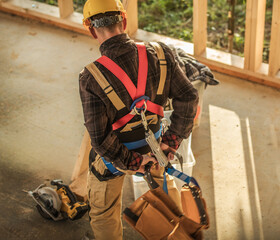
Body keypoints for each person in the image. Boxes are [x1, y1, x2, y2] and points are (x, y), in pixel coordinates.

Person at [79, 0, 198, 239]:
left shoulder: (90, 77)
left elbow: (100, 139)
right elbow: (189, 96)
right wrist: (170, 142)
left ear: (91, 29)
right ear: (123, 20)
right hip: (155, 149)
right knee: (167, 204)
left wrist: (133, 162)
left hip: (115, 160)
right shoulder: (162, 53)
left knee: (103, 212)